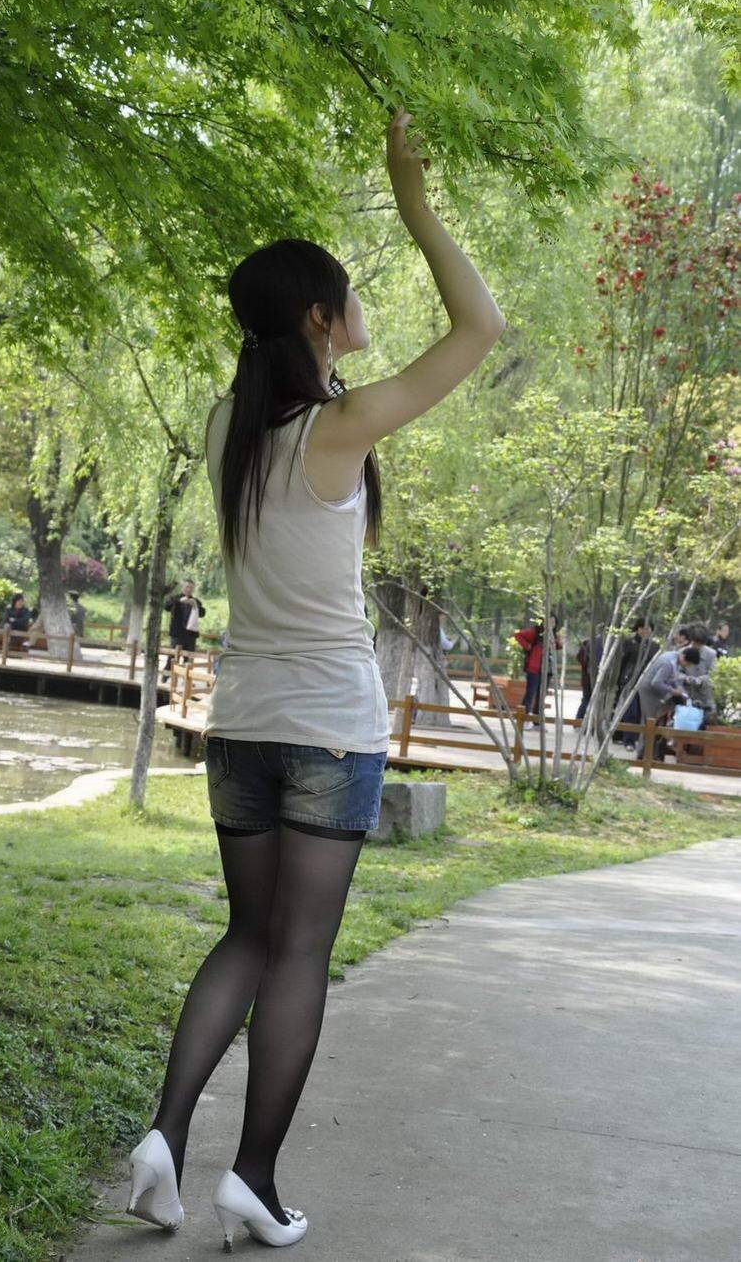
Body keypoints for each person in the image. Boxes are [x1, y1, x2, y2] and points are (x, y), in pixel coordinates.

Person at [124, 108, 505, 1248]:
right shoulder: (334, 431)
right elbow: (479, 326)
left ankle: (163, 1138)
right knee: (297, 954)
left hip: (240, 727)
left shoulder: (227, 425)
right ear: (317, 318)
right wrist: (412, 200)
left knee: (245, 936)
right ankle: (253, 1177)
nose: (359, 314)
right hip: (328, 730)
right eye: (347, 298)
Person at [635, 645, 701, 760]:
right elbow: (656, 682)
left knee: (655, 722)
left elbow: (673, 680)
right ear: (684, 657)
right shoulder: (668, 663)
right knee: (649, 722)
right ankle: (643, 755)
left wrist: (681, 691)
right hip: (649, 692)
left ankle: (651, 754)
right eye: (688, 664)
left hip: (657, 692)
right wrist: (672, 691)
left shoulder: (674, 659)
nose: (688, 667)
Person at [614, 619, 658, 747]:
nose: (646, 631)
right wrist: (619, 681)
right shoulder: (628, 643)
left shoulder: (655, 646)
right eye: (643, 628)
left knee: (642, 713)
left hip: (647, 684)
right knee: (631, 711)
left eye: (649, 628)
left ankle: (637, 739)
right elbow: (622, 663)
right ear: (638, 629)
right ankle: (629, 740)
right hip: (630, 682)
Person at [514, 617, 562, 722]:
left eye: (553, 622)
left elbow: (559, 646)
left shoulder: (554, 635)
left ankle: (537, 721)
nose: (551, 624)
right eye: (548, 621)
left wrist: (558, 640)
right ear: (543, 622)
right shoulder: (535, 632)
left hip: (547, 669)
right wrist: (528, 646)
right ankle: (523, 719)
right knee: (530, 693)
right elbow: (518, 635)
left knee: (542, 695)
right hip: (534, 668)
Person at [164, 579, 206, 657]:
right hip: (177, 634)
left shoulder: (196, 601)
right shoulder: (175, 598)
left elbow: (202, 614)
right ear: (183, 587)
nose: (189, 589)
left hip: (190, 635)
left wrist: (195, 606)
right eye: (187, 587)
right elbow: (166, 607)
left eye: (191, 588)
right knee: (172, 658)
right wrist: (179, 601)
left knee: (189, 660)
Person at [575, 627, 603, 722]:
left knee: (587, 699)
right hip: (589, 677)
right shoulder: (591, 642)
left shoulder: (590, 642)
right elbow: (581, 658)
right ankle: (579, 720)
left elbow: (580, 658)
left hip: (588, 676)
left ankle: (580, 720)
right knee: (587, 699)